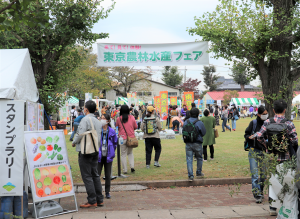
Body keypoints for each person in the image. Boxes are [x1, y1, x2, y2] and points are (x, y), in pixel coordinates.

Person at [251, 99, 298, 216]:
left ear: (273, 110)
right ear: (285, 110)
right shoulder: (289, 123)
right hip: (286, 158)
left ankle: (273, 207)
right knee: (286, 182)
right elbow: (295, 140)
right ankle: (285, 205)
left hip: (272, 158)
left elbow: (260, 136)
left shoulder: (267, 122)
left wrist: (267, 146)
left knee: (273, 181)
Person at [72, 100, 103, 208]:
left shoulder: (85, 119)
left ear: (86, 109)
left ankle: (92, 200)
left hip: (86, 151)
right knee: (95, 175)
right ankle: (100, 199)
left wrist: (74, 142)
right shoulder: (98, 121)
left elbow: (80, 133)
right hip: (95, 150)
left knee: (87, 176)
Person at [244, 105, 268, 204]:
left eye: (266, 114)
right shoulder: (253, 123)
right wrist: (249, 137)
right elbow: (246, 134)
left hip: (264, 152)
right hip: (253, 150)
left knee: (263, 175)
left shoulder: (268, 123)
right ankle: (257, 194)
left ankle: (261, 190)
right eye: (263, 114)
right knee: (255, 174)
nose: (265, 116)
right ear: (258, 114)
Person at [183, 108, 206, 181]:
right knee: (199, 158)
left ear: (189, 114)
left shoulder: (186, 122)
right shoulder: (200, 122)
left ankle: (190, 176)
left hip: (188, 143)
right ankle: (198, 172)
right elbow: (203, 133)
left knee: (189, 159)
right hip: (197, 143)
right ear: (198, 114)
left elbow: (184, 131)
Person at [98, 114, 117, 199]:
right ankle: (98, 192)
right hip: (99, 155)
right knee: (97, 174)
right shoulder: (98, 130)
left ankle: (107, 192)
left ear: (108, 120)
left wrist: (112, 151)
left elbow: (115, 143)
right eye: (101, 118)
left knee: (108, 175)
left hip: (108, 155)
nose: (102, 120)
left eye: (104, 118)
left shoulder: (112, 131)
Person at [116, 105, 138, 174]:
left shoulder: (118, 119)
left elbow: (117, 127)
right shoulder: (132, 117)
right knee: (130, 153)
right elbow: (135, 127)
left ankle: (125, 170)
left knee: (123, 154)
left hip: (122, 138)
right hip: (131, 138)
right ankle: (132, 167)